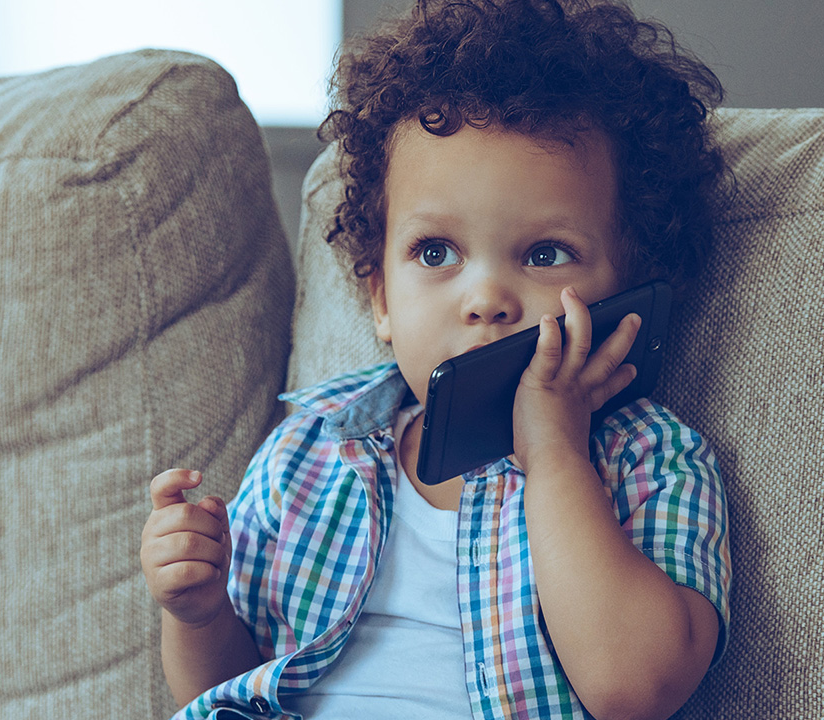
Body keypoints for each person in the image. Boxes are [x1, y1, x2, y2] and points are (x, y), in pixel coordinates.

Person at [139, 0, 732, 717]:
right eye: (436, 252)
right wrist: (199, 612)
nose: (484, 298)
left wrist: (554, 453)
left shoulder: (649, 460)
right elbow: (222, 691)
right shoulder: (309, 449)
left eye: (545, 255)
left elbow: (632, 689)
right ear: (381, 298)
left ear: (630, 299)